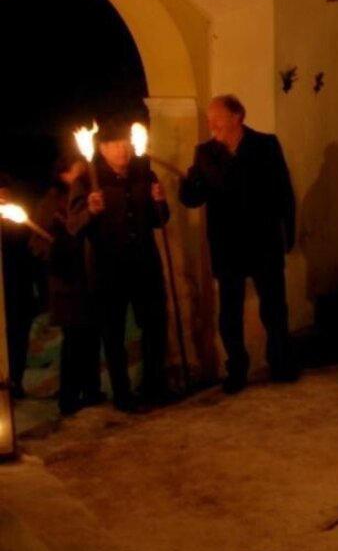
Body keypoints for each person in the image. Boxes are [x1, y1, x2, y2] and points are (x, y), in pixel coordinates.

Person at [179, 95, 298, 394]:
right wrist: (189, 185)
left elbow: (283, 190)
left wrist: (288, 233)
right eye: (209, 119)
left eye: (217, 118)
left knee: (274, 307)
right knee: (229, 310)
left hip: (263, 240)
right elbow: (193, 199)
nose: (211, 124)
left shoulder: (266, 145)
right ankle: (236, 368)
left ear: (237, 117)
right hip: (227, 243)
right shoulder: (205, 153)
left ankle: (280, 361)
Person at [68, 116, 171, 412]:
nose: (122, 150)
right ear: (102, 149)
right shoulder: (87, 181)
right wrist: (90, 210)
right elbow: (75, 227)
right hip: (107, 269)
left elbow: (158, 221)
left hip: (144, 265)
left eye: (125, 143)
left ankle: (153, 383)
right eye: (114, 144)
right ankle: (123, 394)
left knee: (154, 324)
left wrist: (160, 202)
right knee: (113, 333)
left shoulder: (144, 172)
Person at [31, 152, 103, 415]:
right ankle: (69, 397)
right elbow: (37, 243)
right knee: (73, 341)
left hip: (89, 277)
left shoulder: (86, 196)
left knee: (92, 336)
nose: (81, 174)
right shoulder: (51, 203)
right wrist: (57, 250)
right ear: (63, 174)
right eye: (76, 170)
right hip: (67, 282)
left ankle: (92, 390)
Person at [0, 177, 38, 400]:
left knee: (18, 336)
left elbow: (28, 249)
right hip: (3, 292)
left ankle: (16, 381)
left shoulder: (16, 221)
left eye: (6, 194)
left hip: (18, 289)